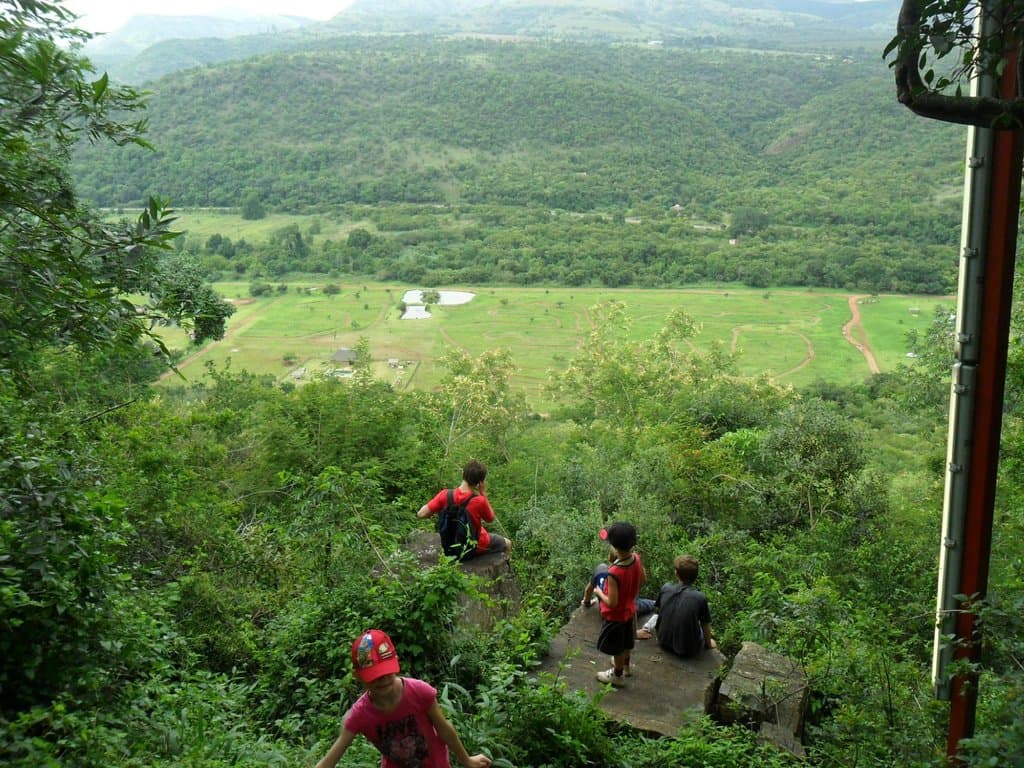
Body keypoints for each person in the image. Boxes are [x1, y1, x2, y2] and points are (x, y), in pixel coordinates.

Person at [315, 629, 492, 768]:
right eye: (373, 676)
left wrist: (467, 760)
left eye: (385, 672)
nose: (382, 680)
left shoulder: (419, 692)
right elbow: (330, 759)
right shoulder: (360, 715)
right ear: (358, 676)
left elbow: (444, 729)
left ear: (396, 663)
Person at [417, 459, 511, 558]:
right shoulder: (479, 501)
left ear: (463, 474)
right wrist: (483, 492)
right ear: (480, 482)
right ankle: (508, 570)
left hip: (449, 548)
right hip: (473, 547)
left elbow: (421, 514)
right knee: (507, 543)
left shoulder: (445, 495)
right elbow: (490, 518)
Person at [591, 522, 646, 687]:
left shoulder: (614, 572)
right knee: (626, 643)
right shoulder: (636, 559)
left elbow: (612, 603)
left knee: (617, 647)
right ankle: (626, 667)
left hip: (616, 617)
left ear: (614, 547)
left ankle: (617, 675)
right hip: (630, 610)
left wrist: (599, 593)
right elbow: (642, 579)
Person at [635, 554, 717, 658]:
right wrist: (708, 643)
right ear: (695, 576)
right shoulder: (700, 597)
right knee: (700, 628)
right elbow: (705, 624)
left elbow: (659, 611)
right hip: (687, 649)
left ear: (676, 573)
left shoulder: (666, 587)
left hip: (662, 640)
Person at [580, 562, 655, 615]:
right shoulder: (620, 573)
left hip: (604, 610)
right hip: (622, 612)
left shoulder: (600, 569)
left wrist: (587, 602)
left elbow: (588, 591)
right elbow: (642, 581)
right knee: (653, 604)